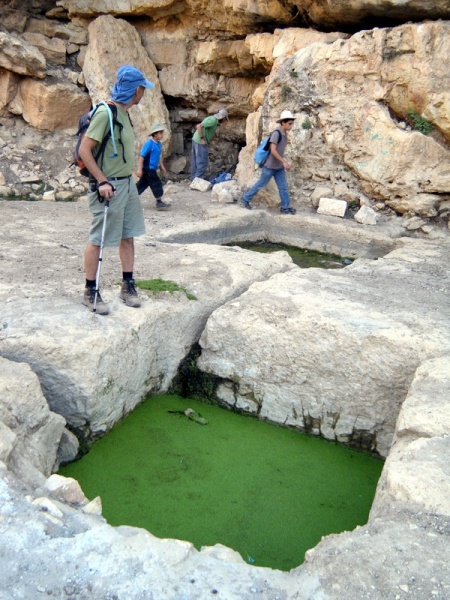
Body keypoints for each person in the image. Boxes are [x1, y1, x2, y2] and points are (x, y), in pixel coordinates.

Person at [79, 64, 154, 315]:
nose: (144, 92)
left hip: (126, 183)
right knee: (98, 239)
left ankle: (127, 285)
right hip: (109, 186)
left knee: (128, 235)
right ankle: (90, 291)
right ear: (135, 90)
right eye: (143, 88)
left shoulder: (124, 113)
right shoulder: (105, 113)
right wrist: (101, 180)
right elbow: (84, 150)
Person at [242, 110, 297, 215]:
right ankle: (245, 199)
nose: (291, 126)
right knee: (260, 184)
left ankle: (285, 207)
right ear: (283, 123)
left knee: (283, 187)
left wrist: (282, 162)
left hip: (278, 166)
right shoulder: (277, 134)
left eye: (292, 123)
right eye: (289, 123)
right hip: (270, 166)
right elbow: (273, 150)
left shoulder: (284, 134)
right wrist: (284, 162)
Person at [136, 124, 170, 211]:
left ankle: (129, 198)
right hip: (148, 169)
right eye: (160, 133)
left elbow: (158, 156)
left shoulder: (158, 144)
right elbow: (142, 156)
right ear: (155, 134)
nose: (162, 135)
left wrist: (161, 166)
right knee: (156, 183)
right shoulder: (149, 144)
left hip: (152, 168)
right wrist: (139, 169)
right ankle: (159, 202)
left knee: (141, 185)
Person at [191, 108, 229, 180]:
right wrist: (202, 139)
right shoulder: (212, 120)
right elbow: (199, 126)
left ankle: (194, 178)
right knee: (202, 162)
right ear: (222, 117)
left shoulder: (214, 121)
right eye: (225, 119)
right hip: (199, 141)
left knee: (196, 161)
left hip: (196, 140)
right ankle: (197, 180)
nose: (225, 121)